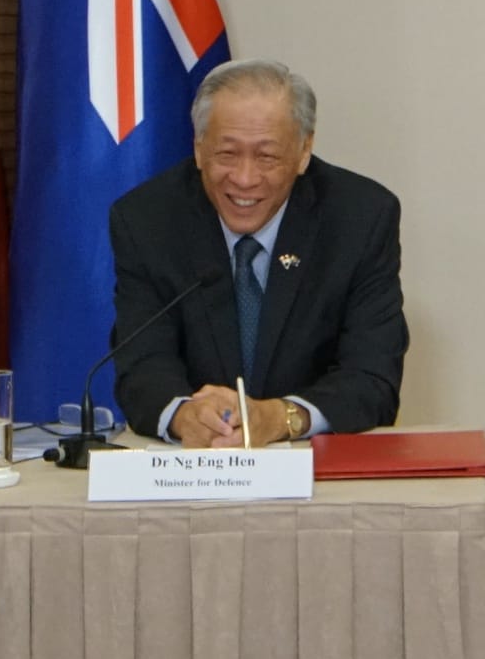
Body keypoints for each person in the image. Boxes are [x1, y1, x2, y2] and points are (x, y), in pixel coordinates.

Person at [108, 59, 407, 448]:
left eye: (267, 156)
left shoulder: (360, 218)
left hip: (315, 470)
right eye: (227, 154)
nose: (245, 179)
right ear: (199, 149)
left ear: (304, 151)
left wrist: (282, 417)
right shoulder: (147, 220)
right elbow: (143, 366)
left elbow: (372, 379)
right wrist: (185, 416)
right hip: (195, 470)